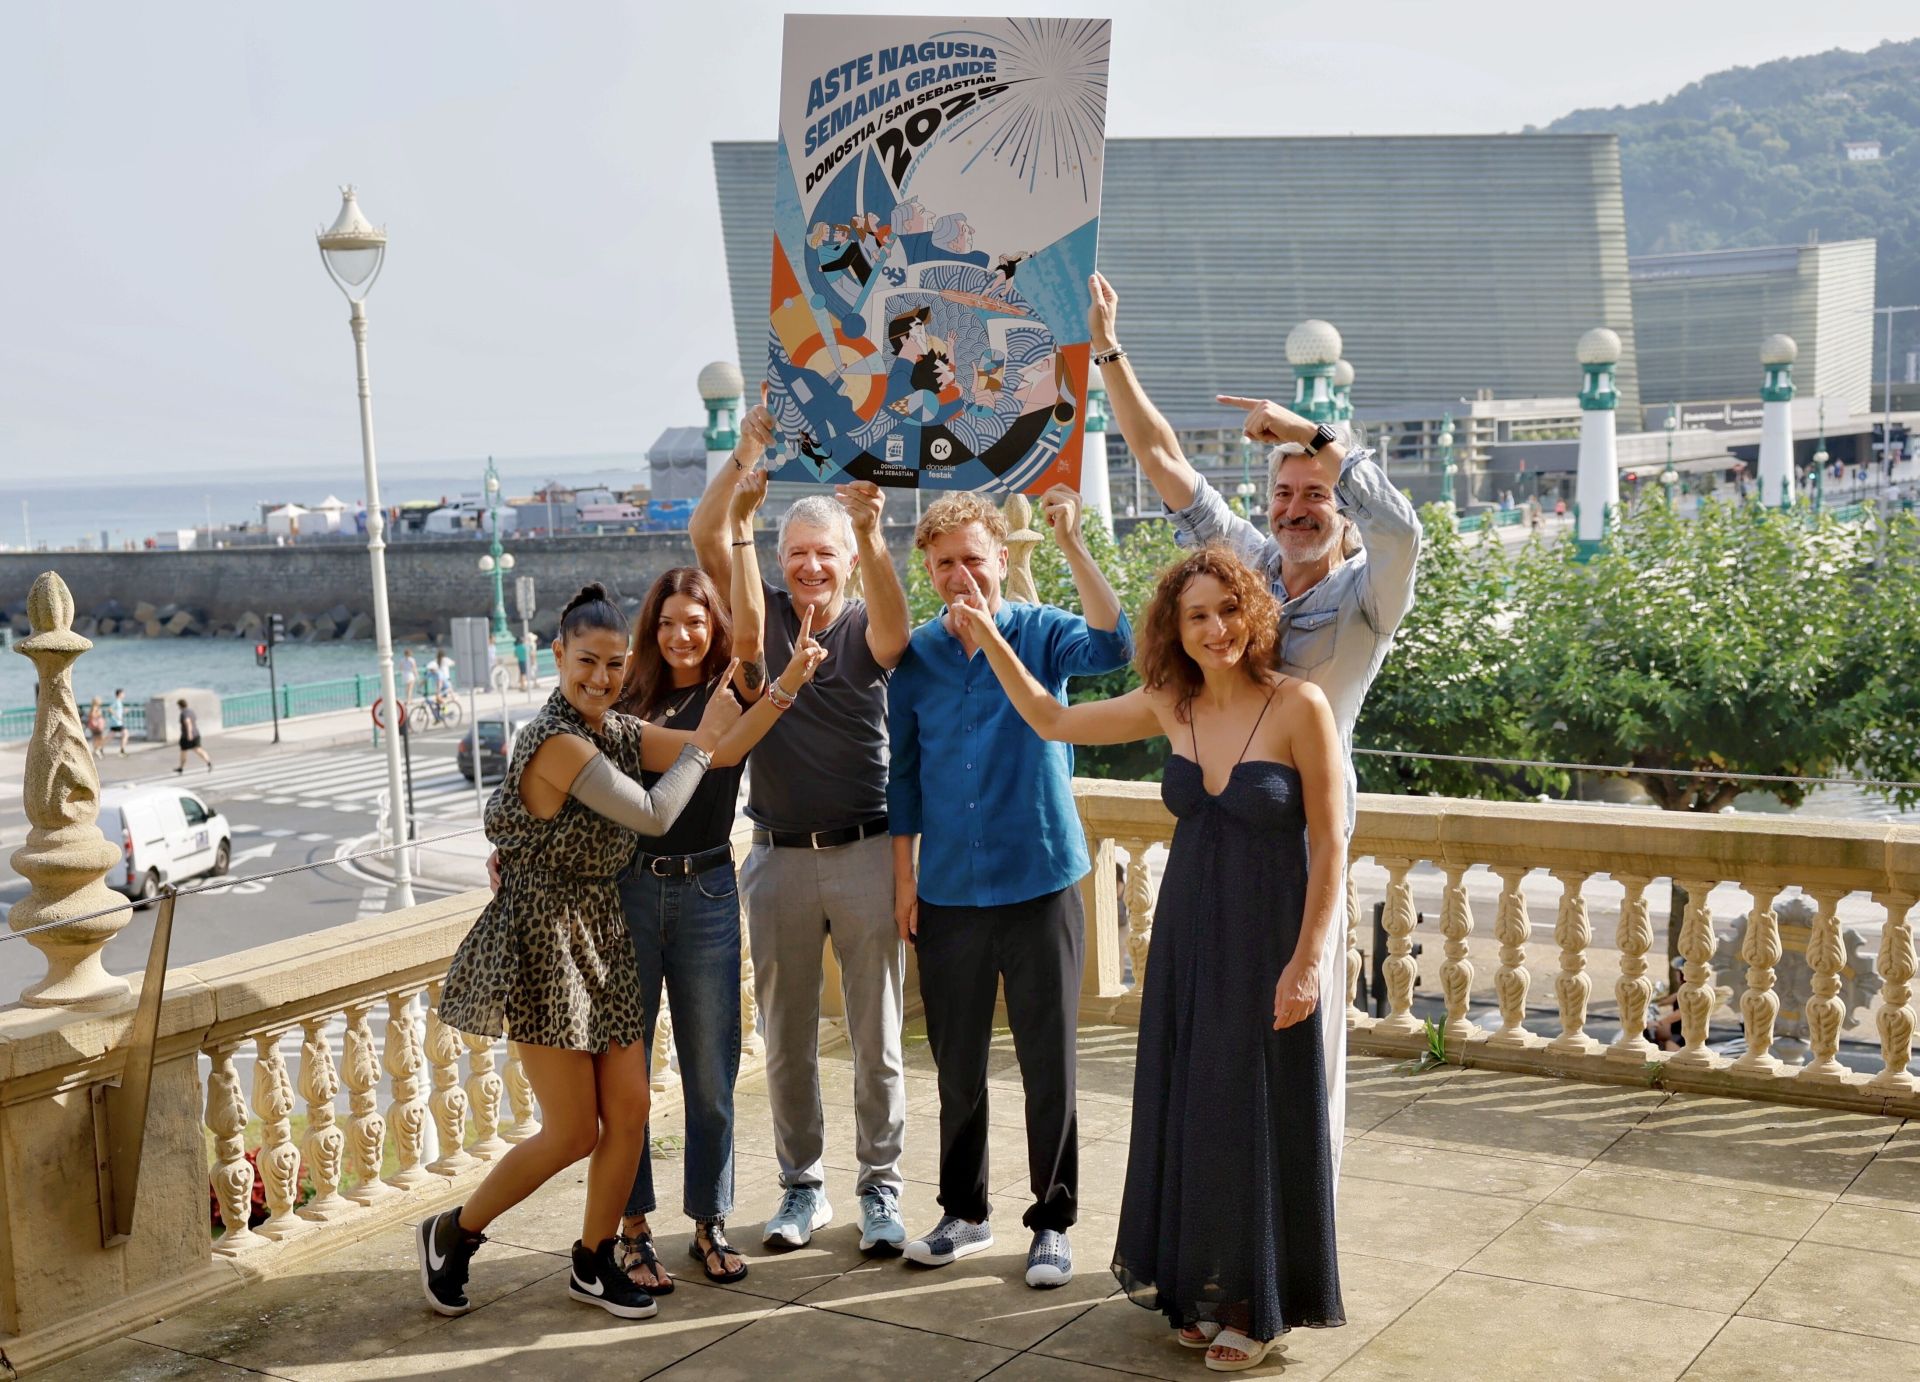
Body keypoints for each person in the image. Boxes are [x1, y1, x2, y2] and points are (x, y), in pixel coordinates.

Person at [949, 545, 1347, 1368]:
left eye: (1228, 609)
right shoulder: (1173, 704)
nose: (1215, 628)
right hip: (1187, 940)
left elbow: (1333, 843)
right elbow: (1055, 722)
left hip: (1268, 941)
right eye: (1196, 615)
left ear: (1254, 613)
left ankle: (1257, 1304)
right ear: (1175, 628)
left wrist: (1308, 962)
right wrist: (990, 636)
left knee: (1254, 1115)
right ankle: (1202, 1285)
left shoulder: (1301, 704)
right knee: (1192, 1108)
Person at [1087, 271, 1419, 1188]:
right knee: (1221, 1066)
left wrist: (1319, 438)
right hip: (1227, 843)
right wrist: (1110, 351)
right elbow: (1163, 465)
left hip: (1305, 851)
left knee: (1304, 1064)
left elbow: (1405, 536)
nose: (1297, 508)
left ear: (1343, 505)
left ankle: (1296, 1258)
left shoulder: (1366, 600)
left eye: (1317, 493)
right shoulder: (1249, 575)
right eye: (1284, 494)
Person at [419, 582, 743, 1323]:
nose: (601, 678)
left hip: (602, 931)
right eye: (588, 662)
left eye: (615, 666)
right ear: (558, 655)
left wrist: (779, 693)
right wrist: (704, 736)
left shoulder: (612, 731)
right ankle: (454, 1233)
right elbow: (658, 811)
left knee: (629, 1109)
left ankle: (594, 1260)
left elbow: (722, 754)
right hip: (543, 940)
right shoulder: (559, 741)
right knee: (572, 1131)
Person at [888, 488, 1131, 1289]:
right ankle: (964, 1212)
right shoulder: (916, 657)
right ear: (928, 570)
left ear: (999, 560)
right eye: (946, 564)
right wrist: (904, 882)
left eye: (975, 561)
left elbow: (1115, 645)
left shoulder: (1040, 631)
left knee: (1047, 1063)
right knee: (956, 1064)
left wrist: (1072, 545)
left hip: (1041, 880)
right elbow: (908, 780)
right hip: (950, 891)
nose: (963, 577)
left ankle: (1052, 1223)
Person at [688, 403, 915, 1256]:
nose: (811, 567)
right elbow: (712, 538)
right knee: (784, 1041)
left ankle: (881, 1189)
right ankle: (802, 1186)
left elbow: (895, 631)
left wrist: (875, 533)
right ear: (781, 564)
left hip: (864, 850)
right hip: (776, 856)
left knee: (877, 1039)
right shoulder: (763, 617)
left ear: (847, 562)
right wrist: (746, 461)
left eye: (827, 555)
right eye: (798, 556)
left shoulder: (865, 625)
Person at [609, 551, 828, 1295]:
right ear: (651, 629)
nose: (681, 636)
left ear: (714, 628)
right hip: (627, 896)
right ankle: (631, 1228)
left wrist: (792, 670)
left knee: (712, 1076)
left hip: (705, 891)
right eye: (668, 623)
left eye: (695, 622)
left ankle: (709, 1220)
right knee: (627, 1082)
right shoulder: (625, 704)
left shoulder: (732, 690)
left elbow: (742, 724)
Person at [174, 698, 211, 773]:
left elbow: (188, 723)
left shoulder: (184, 713)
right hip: (196, 733)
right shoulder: (191, 711)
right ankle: (208, 762)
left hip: (187, 736)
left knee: (183, 751)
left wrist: (189, 734)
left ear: (180, 706)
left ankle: (181, 767)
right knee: (198, 749)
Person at [108, 689, 129, 755]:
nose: (124, 695)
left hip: (116, 723)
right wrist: (117, 717)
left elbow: (118, 712)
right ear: (119, 694)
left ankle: (100, 748)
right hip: (117, 723)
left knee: (110, 737)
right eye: (123, 693)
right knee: (126, 733)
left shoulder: (119, 702)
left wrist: (124, 711)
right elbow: (110, 709)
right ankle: (122, 750)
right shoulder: (117, 701)